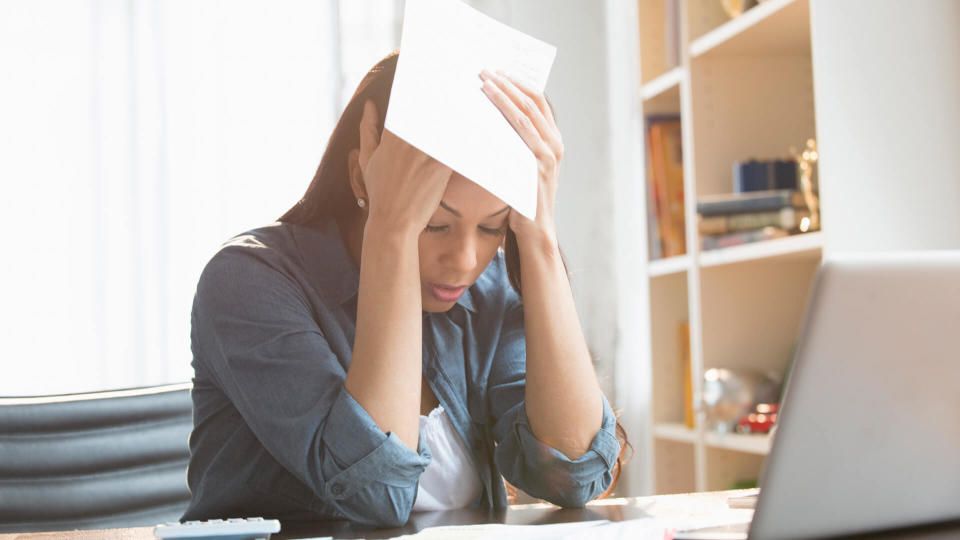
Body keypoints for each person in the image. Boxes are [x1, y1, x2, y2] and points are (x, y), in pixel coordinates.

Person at [182, 51, 630, 527]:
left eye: (492, 228)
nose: (464, 262)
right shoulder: (247, 281)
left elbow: (574, 475)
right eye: (435, 224)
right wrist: (392, 229)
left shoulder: (491, 292)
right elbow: (378, 494)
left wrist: (537, 239)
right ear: (362, 176)